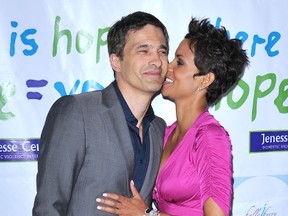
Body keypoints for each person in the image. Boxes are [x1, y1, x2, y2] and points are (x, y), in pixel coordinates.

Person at [96, 17, 249, 216]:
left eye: (179, 62)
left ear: (205, 79)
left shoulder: (210, 136)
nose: (166, 66)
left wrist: (147, 215)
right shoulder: (164, 132)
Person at [32, 11, 169, 216]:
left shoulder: (159, 129)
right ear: (116, 61)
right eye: (143, 50)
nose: (157, 61)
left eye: (162, 52)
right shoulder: (76, 112)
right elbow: (49, 207)